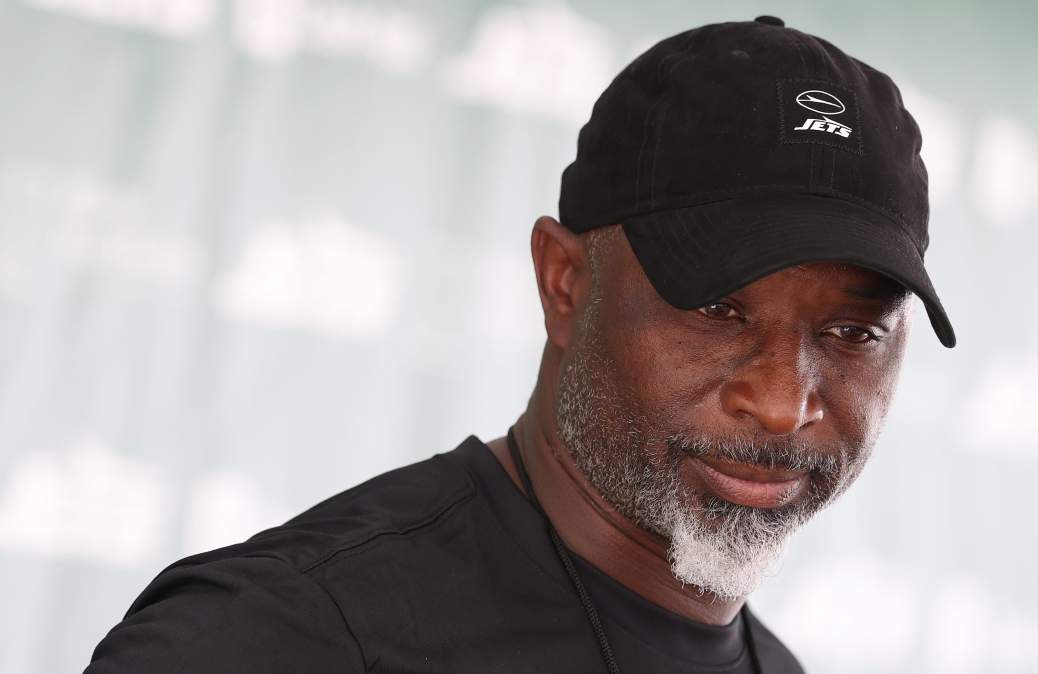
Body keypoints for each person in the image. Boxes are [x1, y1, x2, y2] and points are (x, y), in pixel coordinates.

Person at [86, 15, 956, 674]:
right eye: (716, 309)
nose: (782, 401)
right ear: (564, 284)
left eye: (852, 332)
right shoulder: (274, 636)